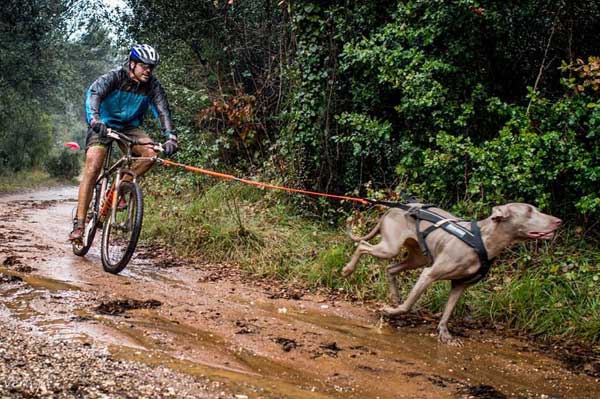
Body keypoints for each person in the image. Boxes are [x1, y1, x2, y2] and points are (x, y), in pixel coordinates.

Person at [69, 44, 178, 241]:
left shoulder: (152, 85)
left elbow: (163, 110)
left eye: (151, 67)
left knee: (151, 155)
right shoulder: (114, 77)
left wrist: (171, 136)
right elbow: (94, 95)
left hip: (129, 127)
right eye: (144, 66)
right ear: (132, 63)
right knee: (93, 167)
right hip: (103, 124)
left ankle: (117, 190)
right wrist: (94, 119)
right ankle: (79, 223)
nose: (148, 71)